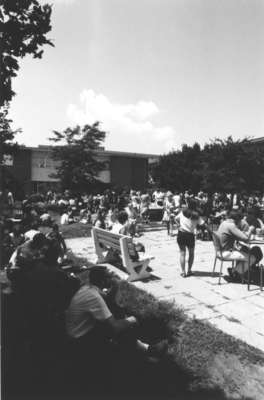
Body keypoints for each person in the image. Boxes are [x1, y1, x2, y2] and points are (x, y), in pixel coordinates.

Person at [65, 266, 168, 363]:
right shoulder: (93, 296)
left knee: (119, 315)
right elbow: (115, 326)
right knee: (124, 326)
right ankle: (147, 355)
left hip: (77, 332)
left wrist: (115, 287)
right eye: (109, 277)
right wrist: (132, 319)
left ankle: (145, 349)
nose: (111, 278)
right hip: (80, 339)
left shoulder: (89, 288)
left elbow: (108, 301)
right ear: (104, 281)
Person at [216, 210, 263, 280]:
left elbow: (236, 234)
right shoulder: (231, 226)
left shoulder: (224, 223)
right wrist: (250, 230)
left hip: (220, 251)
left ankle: (239, 270)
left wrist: (241, 232)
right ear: (237, 219)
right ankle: (235, 272)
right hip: (226, 252)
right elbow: (246, 239)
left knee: (244, 250)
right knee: (252, 258)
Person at [175, 202, 205, 277]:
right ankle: (189, 270)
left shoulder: (183, 212)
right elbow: (203, 224)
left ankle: (183, 272)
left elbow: (175, 218)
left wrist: (178, 225)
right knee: (191, 254)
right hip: (190, 235)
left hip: (181, 233)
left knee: (182, 253)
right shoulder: (196, 215)